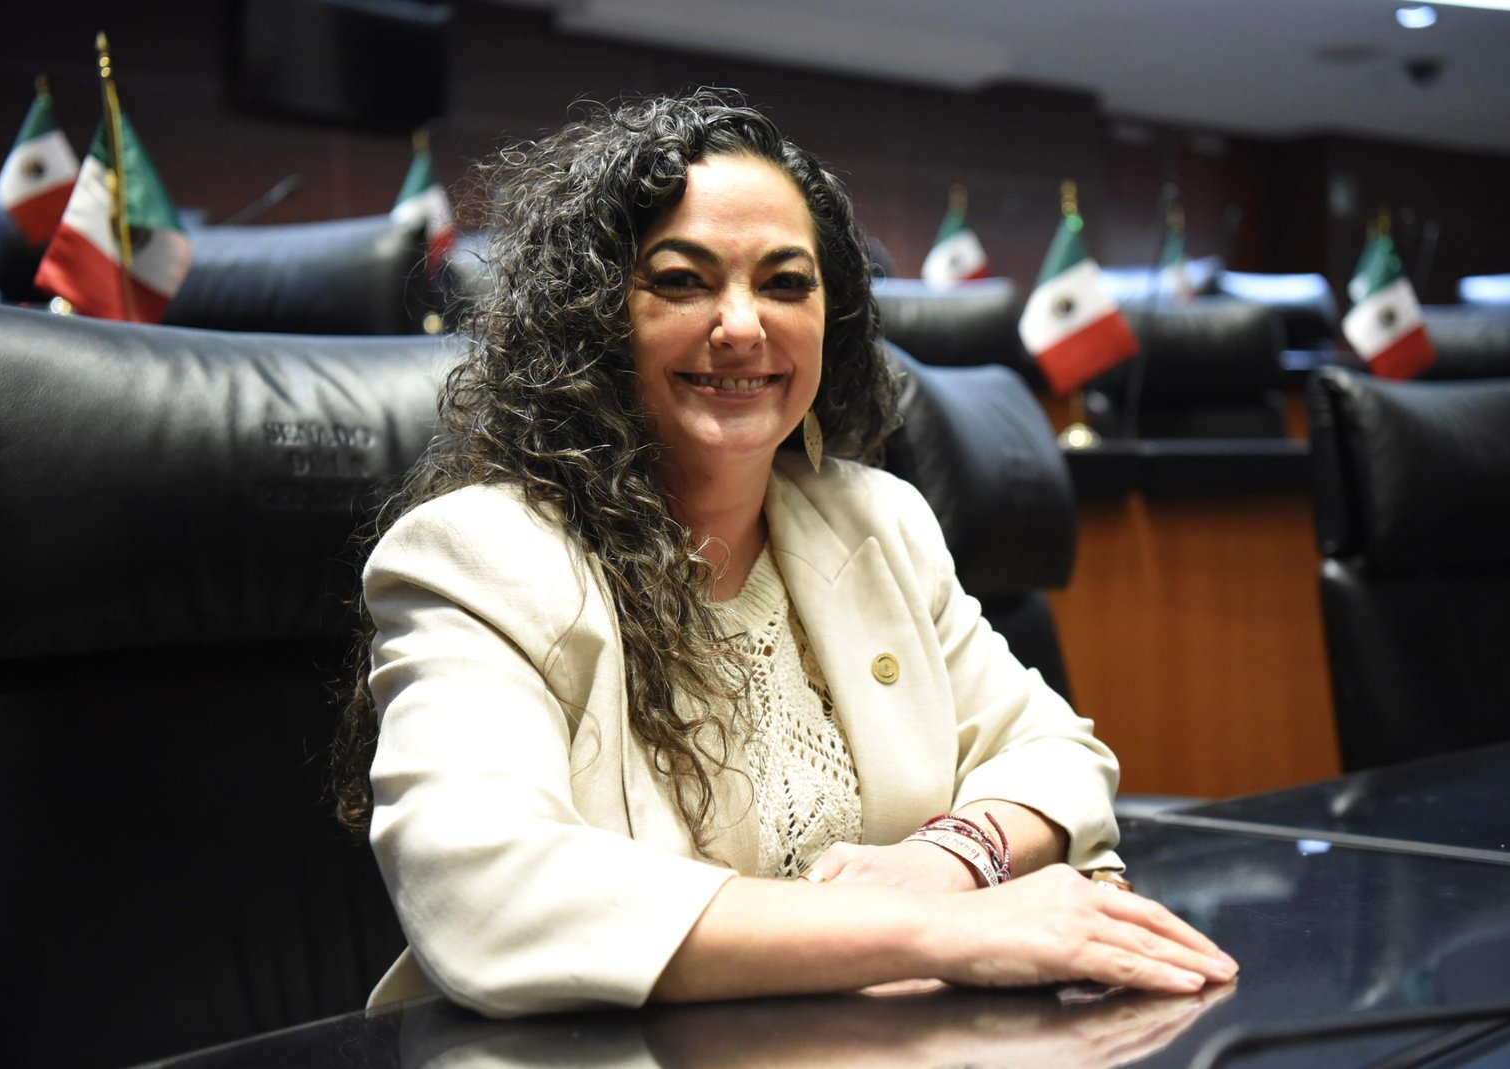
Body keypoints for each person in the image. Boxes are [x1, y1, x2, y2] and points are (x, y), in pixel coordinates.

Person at [331, 90, 1237, 1018]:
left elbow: (1054, 751)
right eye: (682, 280)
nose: (742, 325)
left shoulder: (877, 520)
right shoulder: (477, 555)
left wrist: (952, 859)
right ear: (593, 318)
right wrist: (936, 930)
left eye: (785, 282)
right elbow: (486, 890)